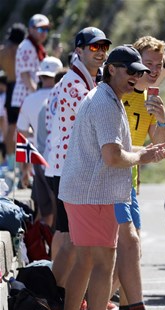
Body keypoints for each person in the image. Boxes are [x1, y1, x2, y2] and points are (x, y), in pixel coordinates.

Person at [58, 44, 165, 310]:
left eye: (140, 72)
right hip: (93, 194)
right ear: (112, 70)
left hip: (86, 192)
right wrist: (142, 158)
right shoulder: (106, 102)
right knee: (103, 261)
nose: (136, 76)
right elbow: (113, 156)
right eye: (131, 70)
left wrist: (144, 152)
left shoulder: (107, 97)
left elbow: (117, 152)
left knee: (86, 261)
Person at [114, 36, 165, 310]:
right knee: (123, 248)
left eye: (158, 65)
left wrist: (163, 118)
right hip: (113, 179)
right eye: (148, 65)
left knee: (131, 248)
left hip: (131, 180)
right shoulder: (123, 92)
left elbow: (159, 139)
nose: (154, 70)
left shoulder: (147, 93)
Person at [45, 27, 111, 290]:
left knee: (68, 235)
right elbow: (94, 122)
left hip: (66, 166)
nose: (101, 52)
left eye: (104, 47)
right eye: (94, 47)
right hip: (68, 168)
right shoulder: (74, 84)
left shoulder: (84, 79)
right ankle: (56, 295)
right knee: (71, 239)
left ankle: (59, 296)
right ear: (79, 50)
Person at [16, 56, 62, 227]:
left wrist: (24, 169)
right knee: (60, 212)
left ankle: (45, 248)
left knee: (44, 212)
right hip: (58, 160)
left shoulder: (29, 100)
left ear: (40, 77)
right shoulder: (61, 96)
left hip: (37, 159)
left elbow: (21, 134)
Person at [10, 15, 49, 172]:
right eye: (40, 29)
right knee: (25, 134)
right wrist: (36, 96)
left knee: (27, 134)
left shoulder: (36, 46)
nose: (43, 33)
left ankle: (26, 172)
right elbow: (26, 75)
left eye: (46, 29)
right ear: (31, 29)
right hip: (25, 95)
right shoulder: (27, 46)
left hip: (27, 95)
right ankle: (24, 172)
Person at [0, 23, 27, 166]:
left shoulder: (3, 52)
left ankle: (11, 163)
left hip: (10, 87)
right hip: (22, 87)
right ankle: (24, 163)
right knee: (26, 125)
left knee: (10, 127)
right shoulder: (24, 51)